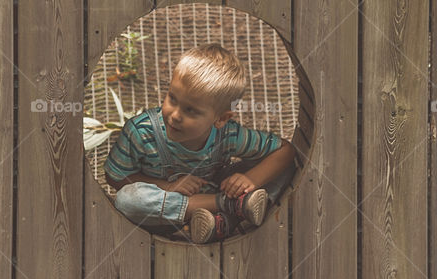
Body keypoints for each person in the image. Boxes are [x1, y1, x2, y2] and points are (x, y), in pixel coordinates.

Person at [104, 43, 296, 243]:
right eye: (172, 98)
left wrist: (250, 180)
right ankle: (231, 208)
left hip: (214, 191)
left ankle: (219, 223)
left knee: (284, 167)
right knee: (127, 199)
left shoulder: (228, 135)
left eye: (191, 110)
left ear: (221, 118)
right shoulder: (141, 132)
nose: (175, 115)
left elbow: (285, 150)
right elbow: (115, 176)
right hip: (164, 211)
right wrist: (168, 187)